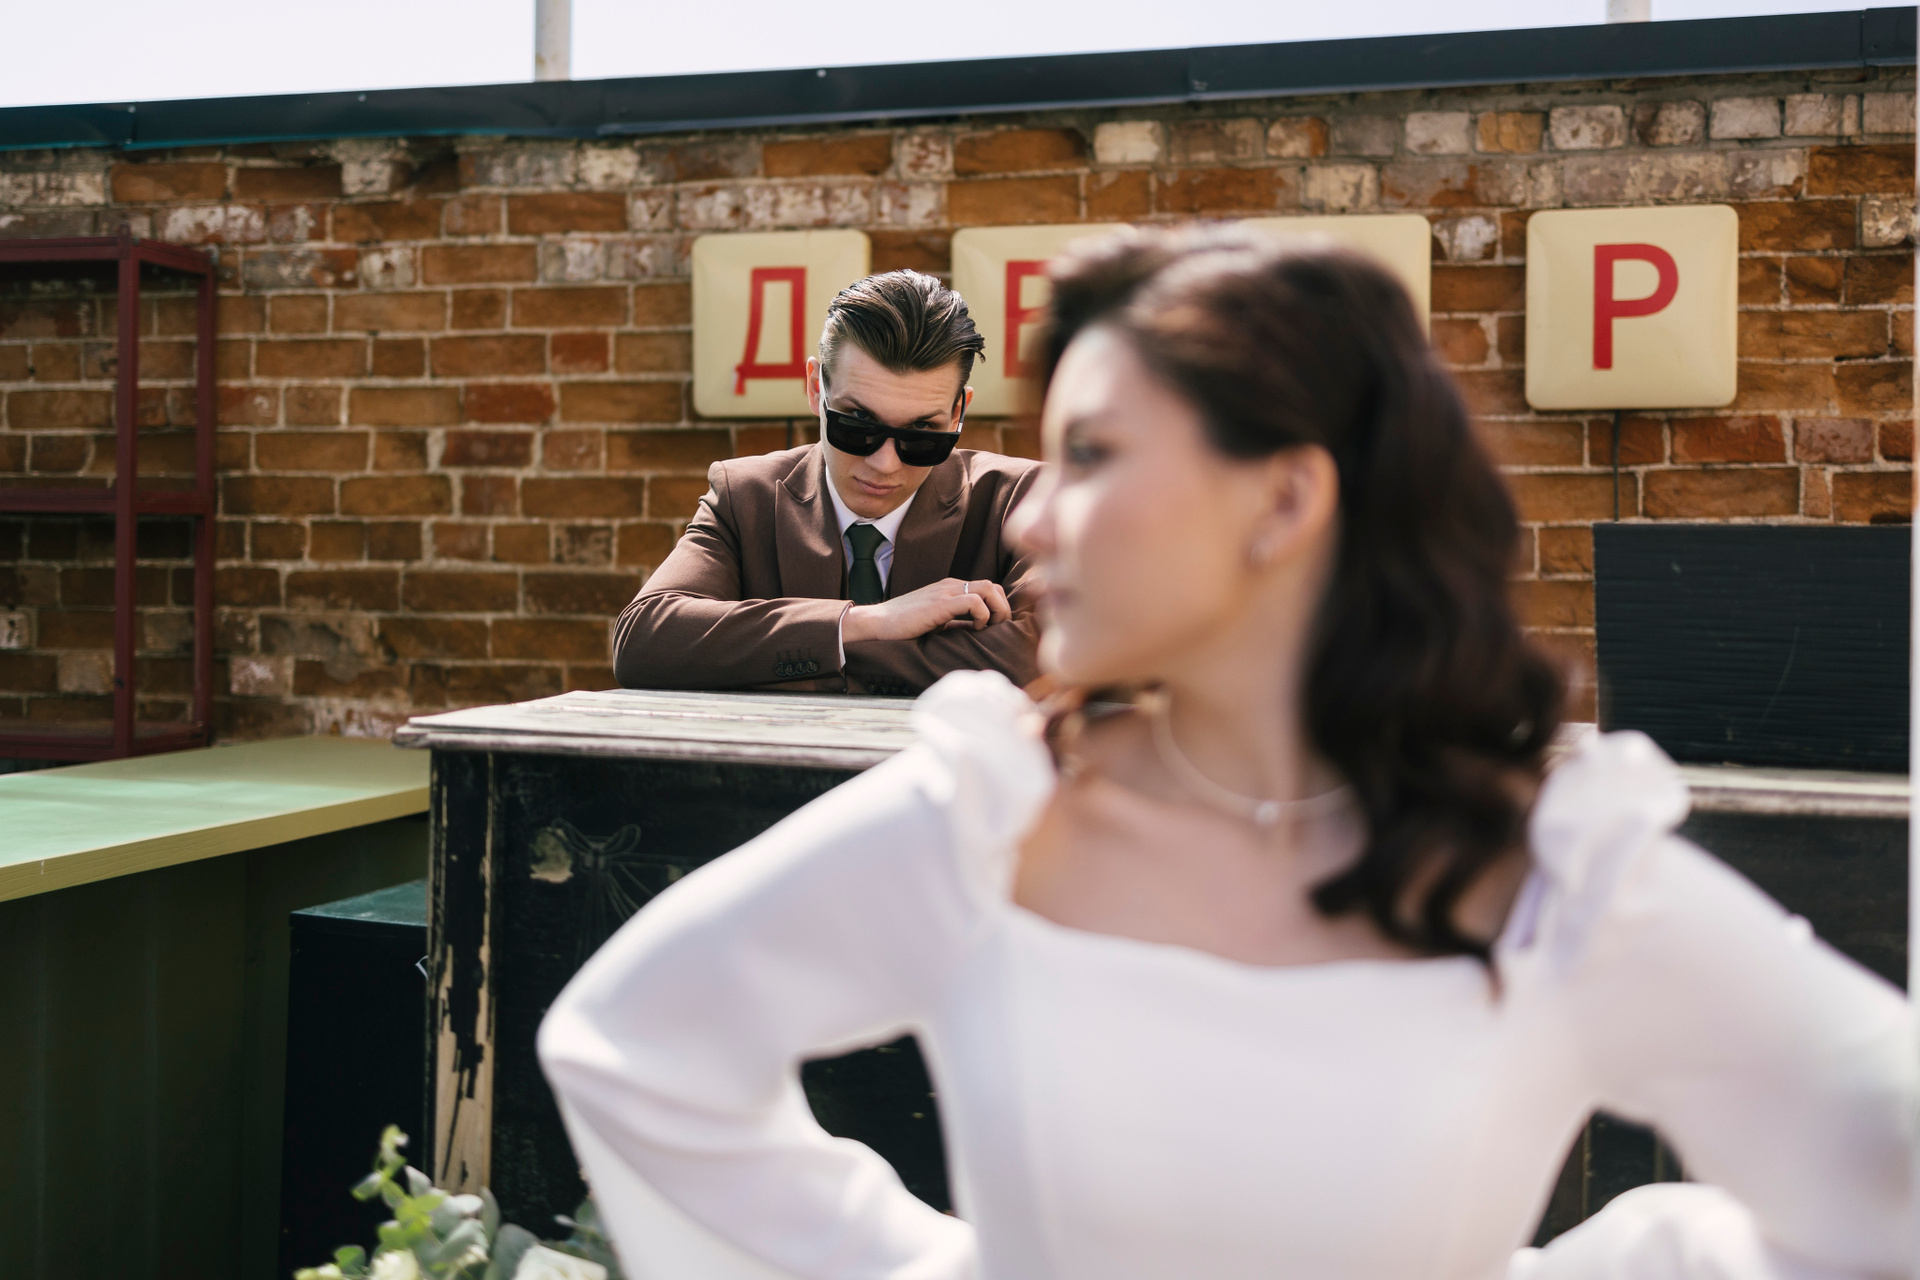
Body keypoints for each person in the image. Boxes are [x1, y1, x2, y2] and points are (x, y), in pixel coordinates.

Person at [540, 228, 1913, 1279]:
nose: (1033, 520)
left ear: (1285, 498)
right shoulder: (996, 810)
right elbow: (637, 1051)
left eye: (1092, 455)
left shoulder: (1554, 863)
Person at [613, 270, 1042, 697]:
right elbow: (645, 639)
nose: (885, 463)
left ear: (957, 413)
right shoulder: (745, 496)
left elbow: (1048, 654)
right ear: (816, 388)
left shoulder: (1018, 500)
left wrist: (810, 655)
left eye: (921, 433)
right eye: (857, 423)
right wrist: (871, 621)